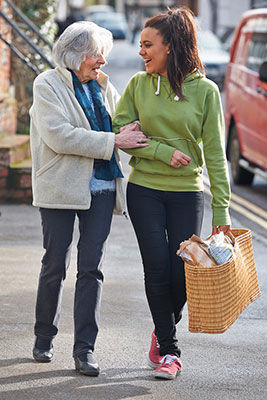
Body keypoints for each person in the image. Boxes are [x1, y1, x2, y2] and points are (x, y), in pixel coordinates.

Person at [112, 7, 231, 380]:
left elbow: (215, 152)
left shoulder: (206, 92)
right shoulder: (137, 85)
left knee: (182, 275)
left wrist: (222, 211)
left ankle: (161, 327)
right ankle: (169, 350)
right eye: (141, 45)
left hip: (187, 192)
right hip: (145, 188)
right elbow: (122, 132)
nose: (141, 51)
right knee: (157, 268)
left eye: (149, 45)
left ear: (171, 46)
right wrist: (162, 152)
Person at [29, 21, 149, 376]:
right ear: (76, 54)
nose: (102, 63)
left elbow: (117, 127)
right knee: (55, 264)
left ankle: (85, 350)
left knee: (91, 269)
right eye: (97, 56)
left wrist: (124, 133)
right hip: (60, 188)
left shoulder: (102, 85)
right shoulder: (46, 84)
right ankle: (44, 336)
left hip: (102, 187)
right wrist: (114, 141)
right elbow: (60, 135)